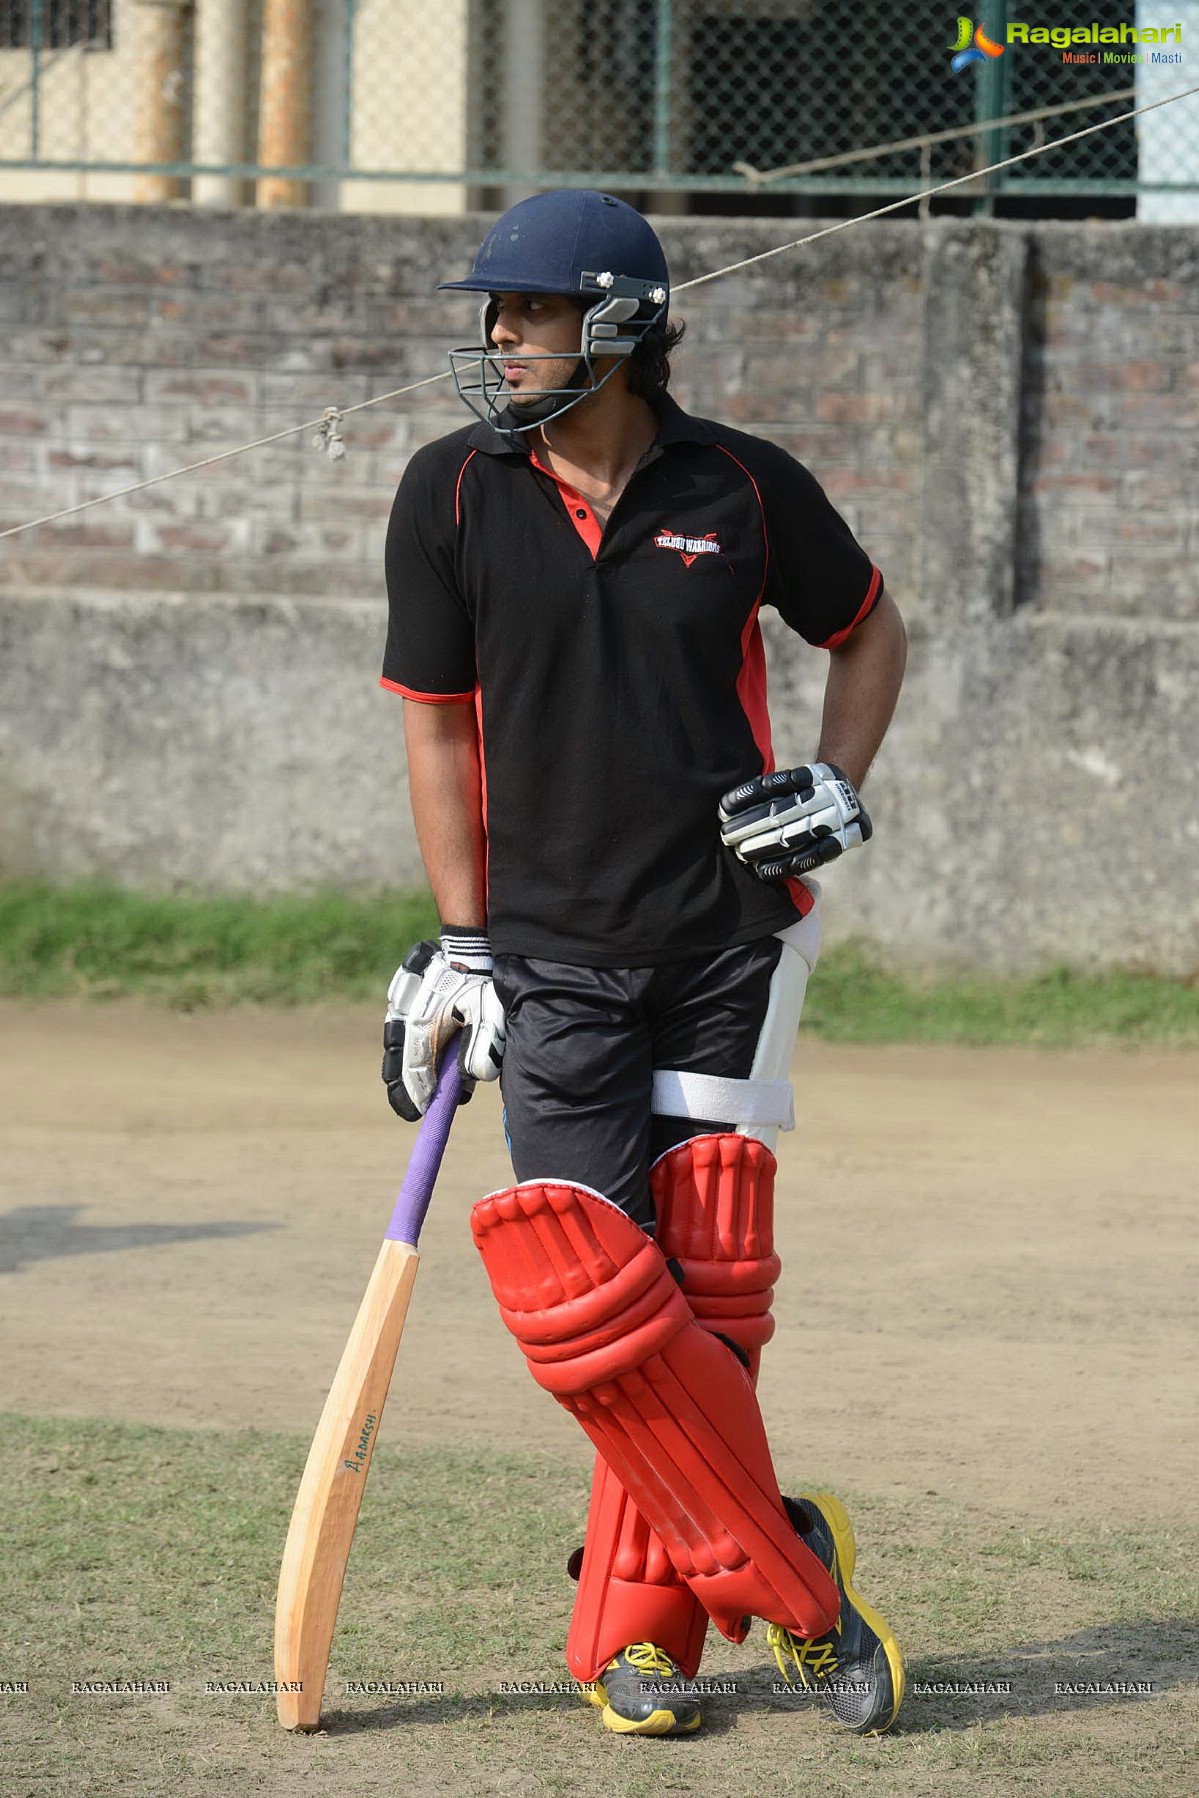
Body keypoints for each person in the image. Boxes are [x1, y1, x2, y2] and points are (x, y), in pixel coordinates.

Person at [379, 190, 908, 1739]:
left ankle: (641, 1638)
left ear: (613, 323)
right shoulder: (452, 494)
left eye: (524, 313)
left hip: (728, 947)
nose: (496, 338)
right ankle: (793, 1569)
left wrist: (835, 785)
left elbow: (868, 630)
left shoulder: (740, 484)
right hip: (549, 962)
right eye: (496, 313)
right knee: (588, 1301)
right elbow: (430, 721)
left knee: (709, 1294)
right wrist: (463, 939)